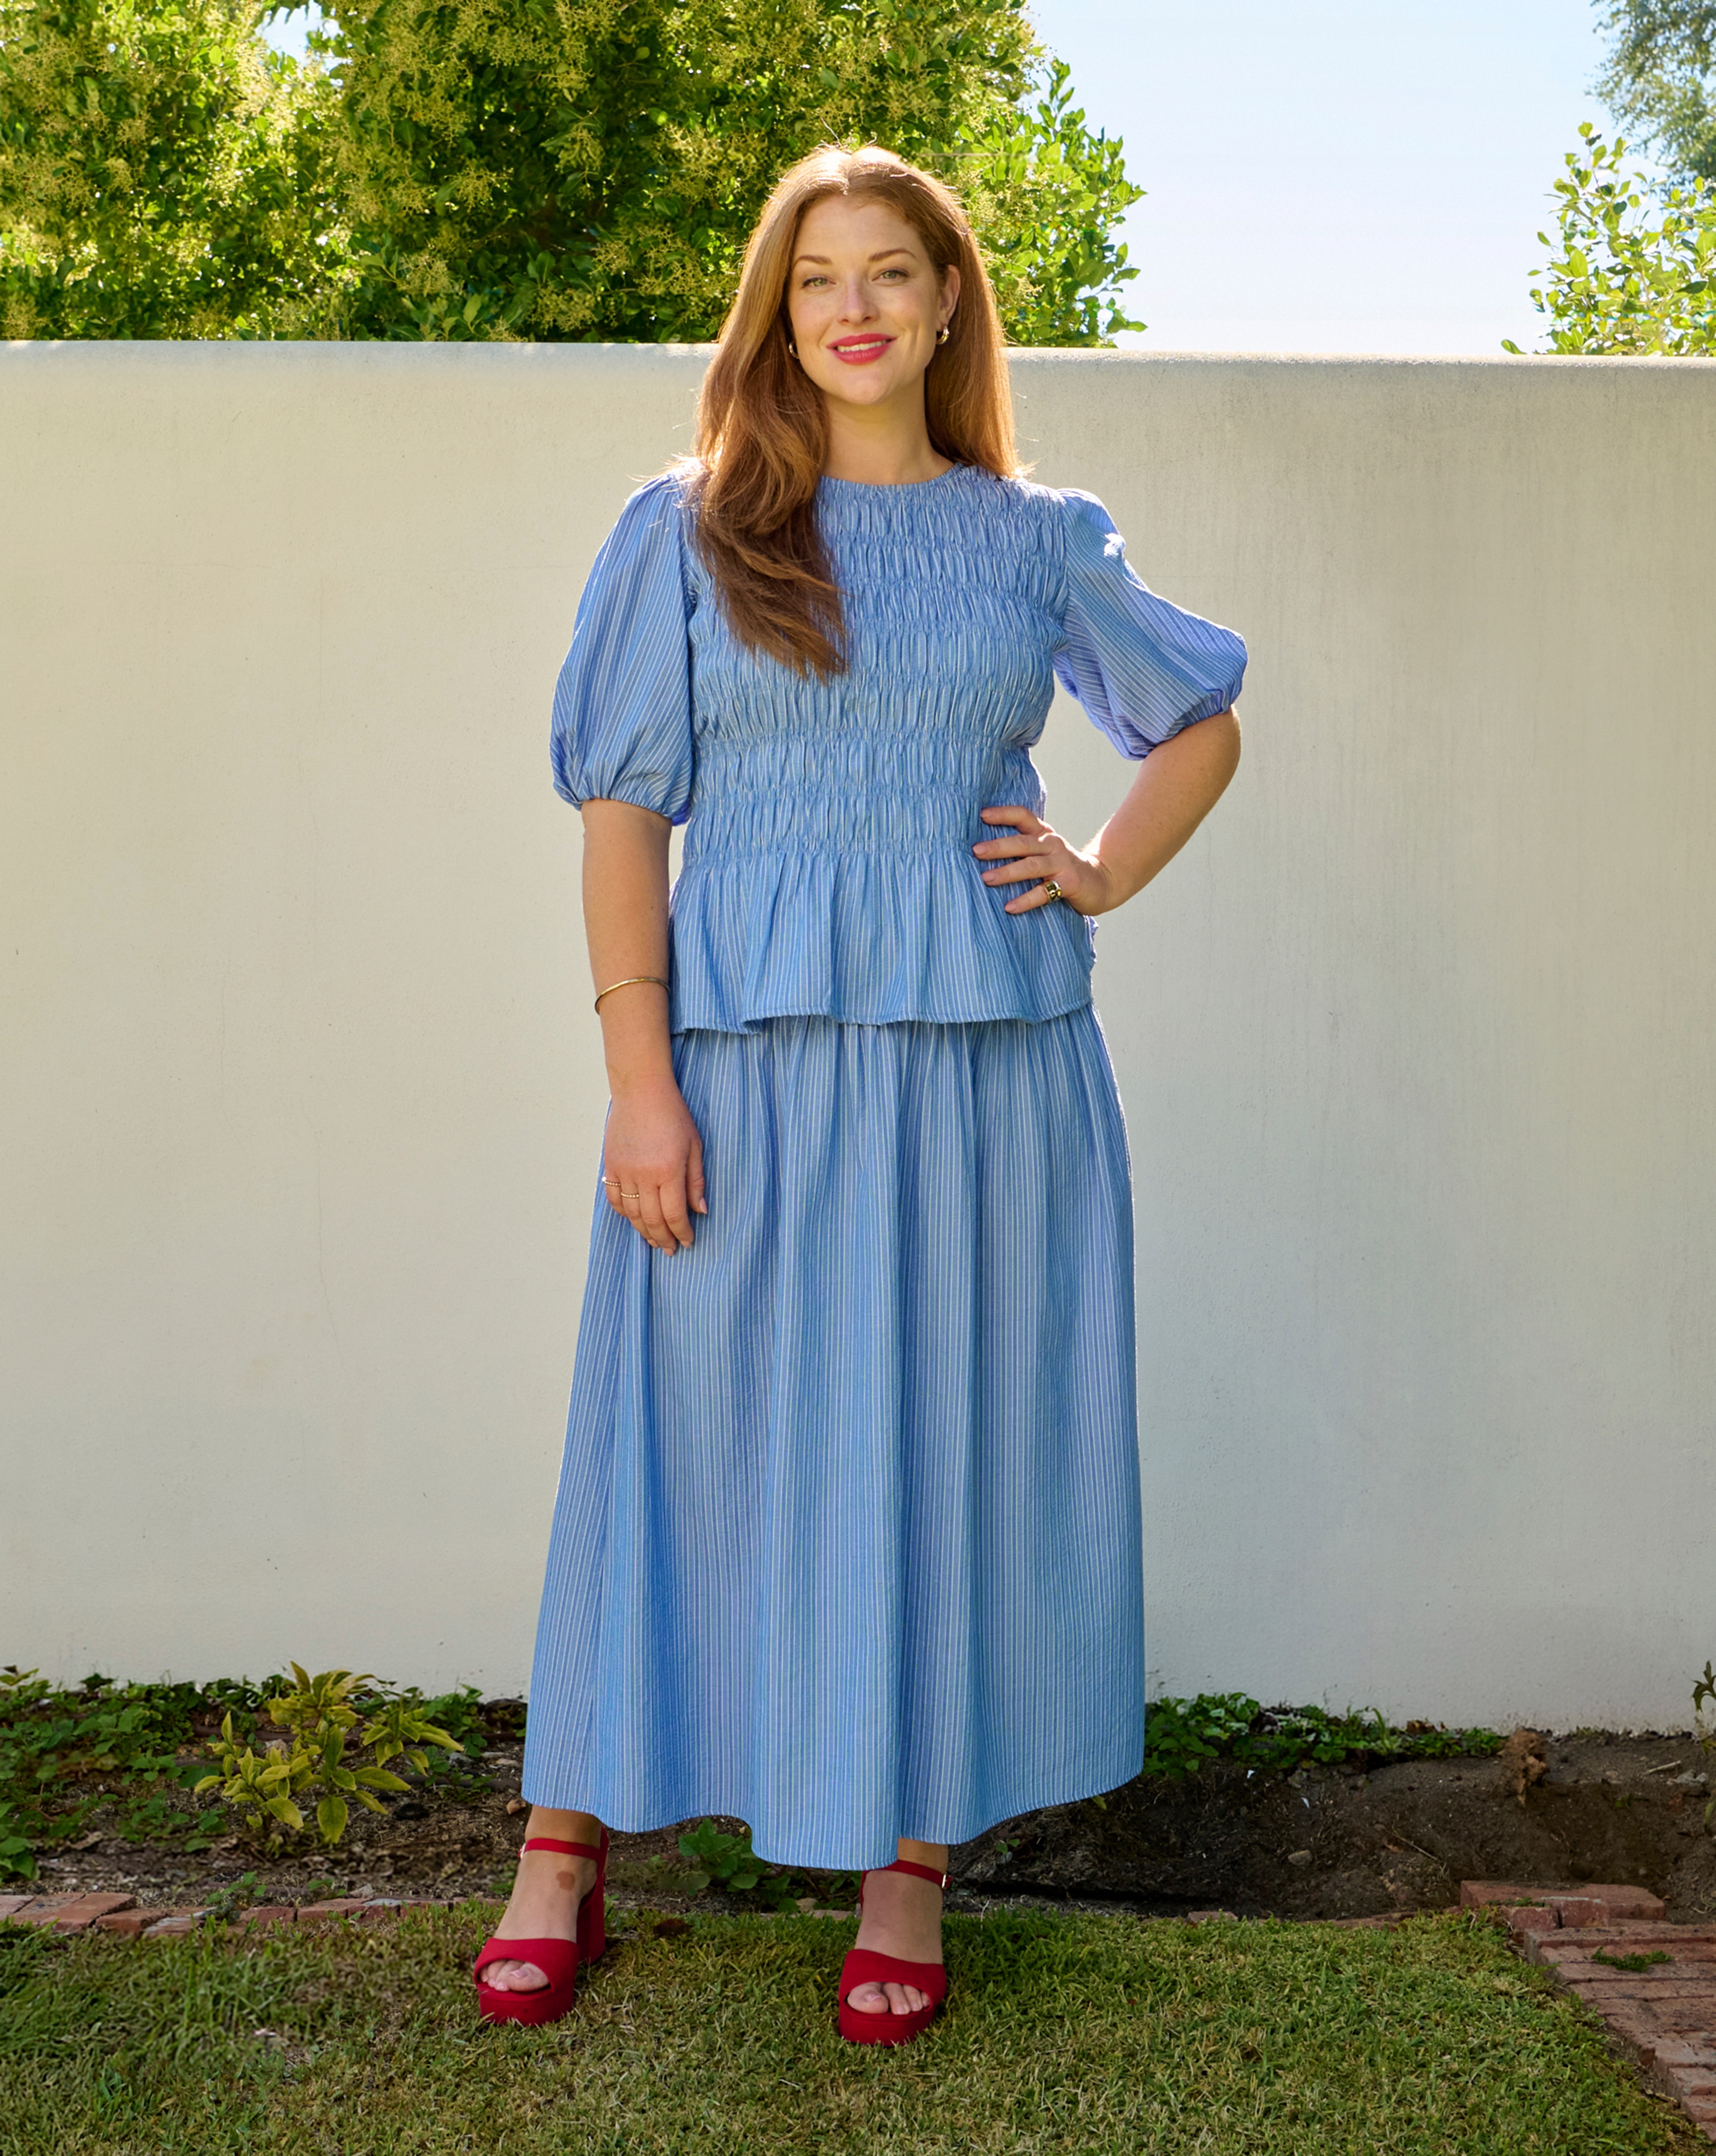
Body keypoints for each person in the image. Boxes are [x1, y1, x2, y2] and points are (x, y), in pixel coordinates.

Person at [473, 143, 1246, 2045]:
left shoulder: (1034, 535)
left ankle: (909, 1865)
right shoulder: (685, 526)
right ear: (779, 308)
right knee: (677, 1444)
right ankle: (558, 1854)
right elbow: (623, 818)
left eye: (895, 271)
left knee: (945, 1447)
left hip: (993, 1081)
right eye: (820, 275)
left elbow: (1202, 716)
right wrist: (635, 1085)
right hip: (738, 1074)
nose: (857, 305)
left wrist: (1102, 864)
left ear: (950, 302)